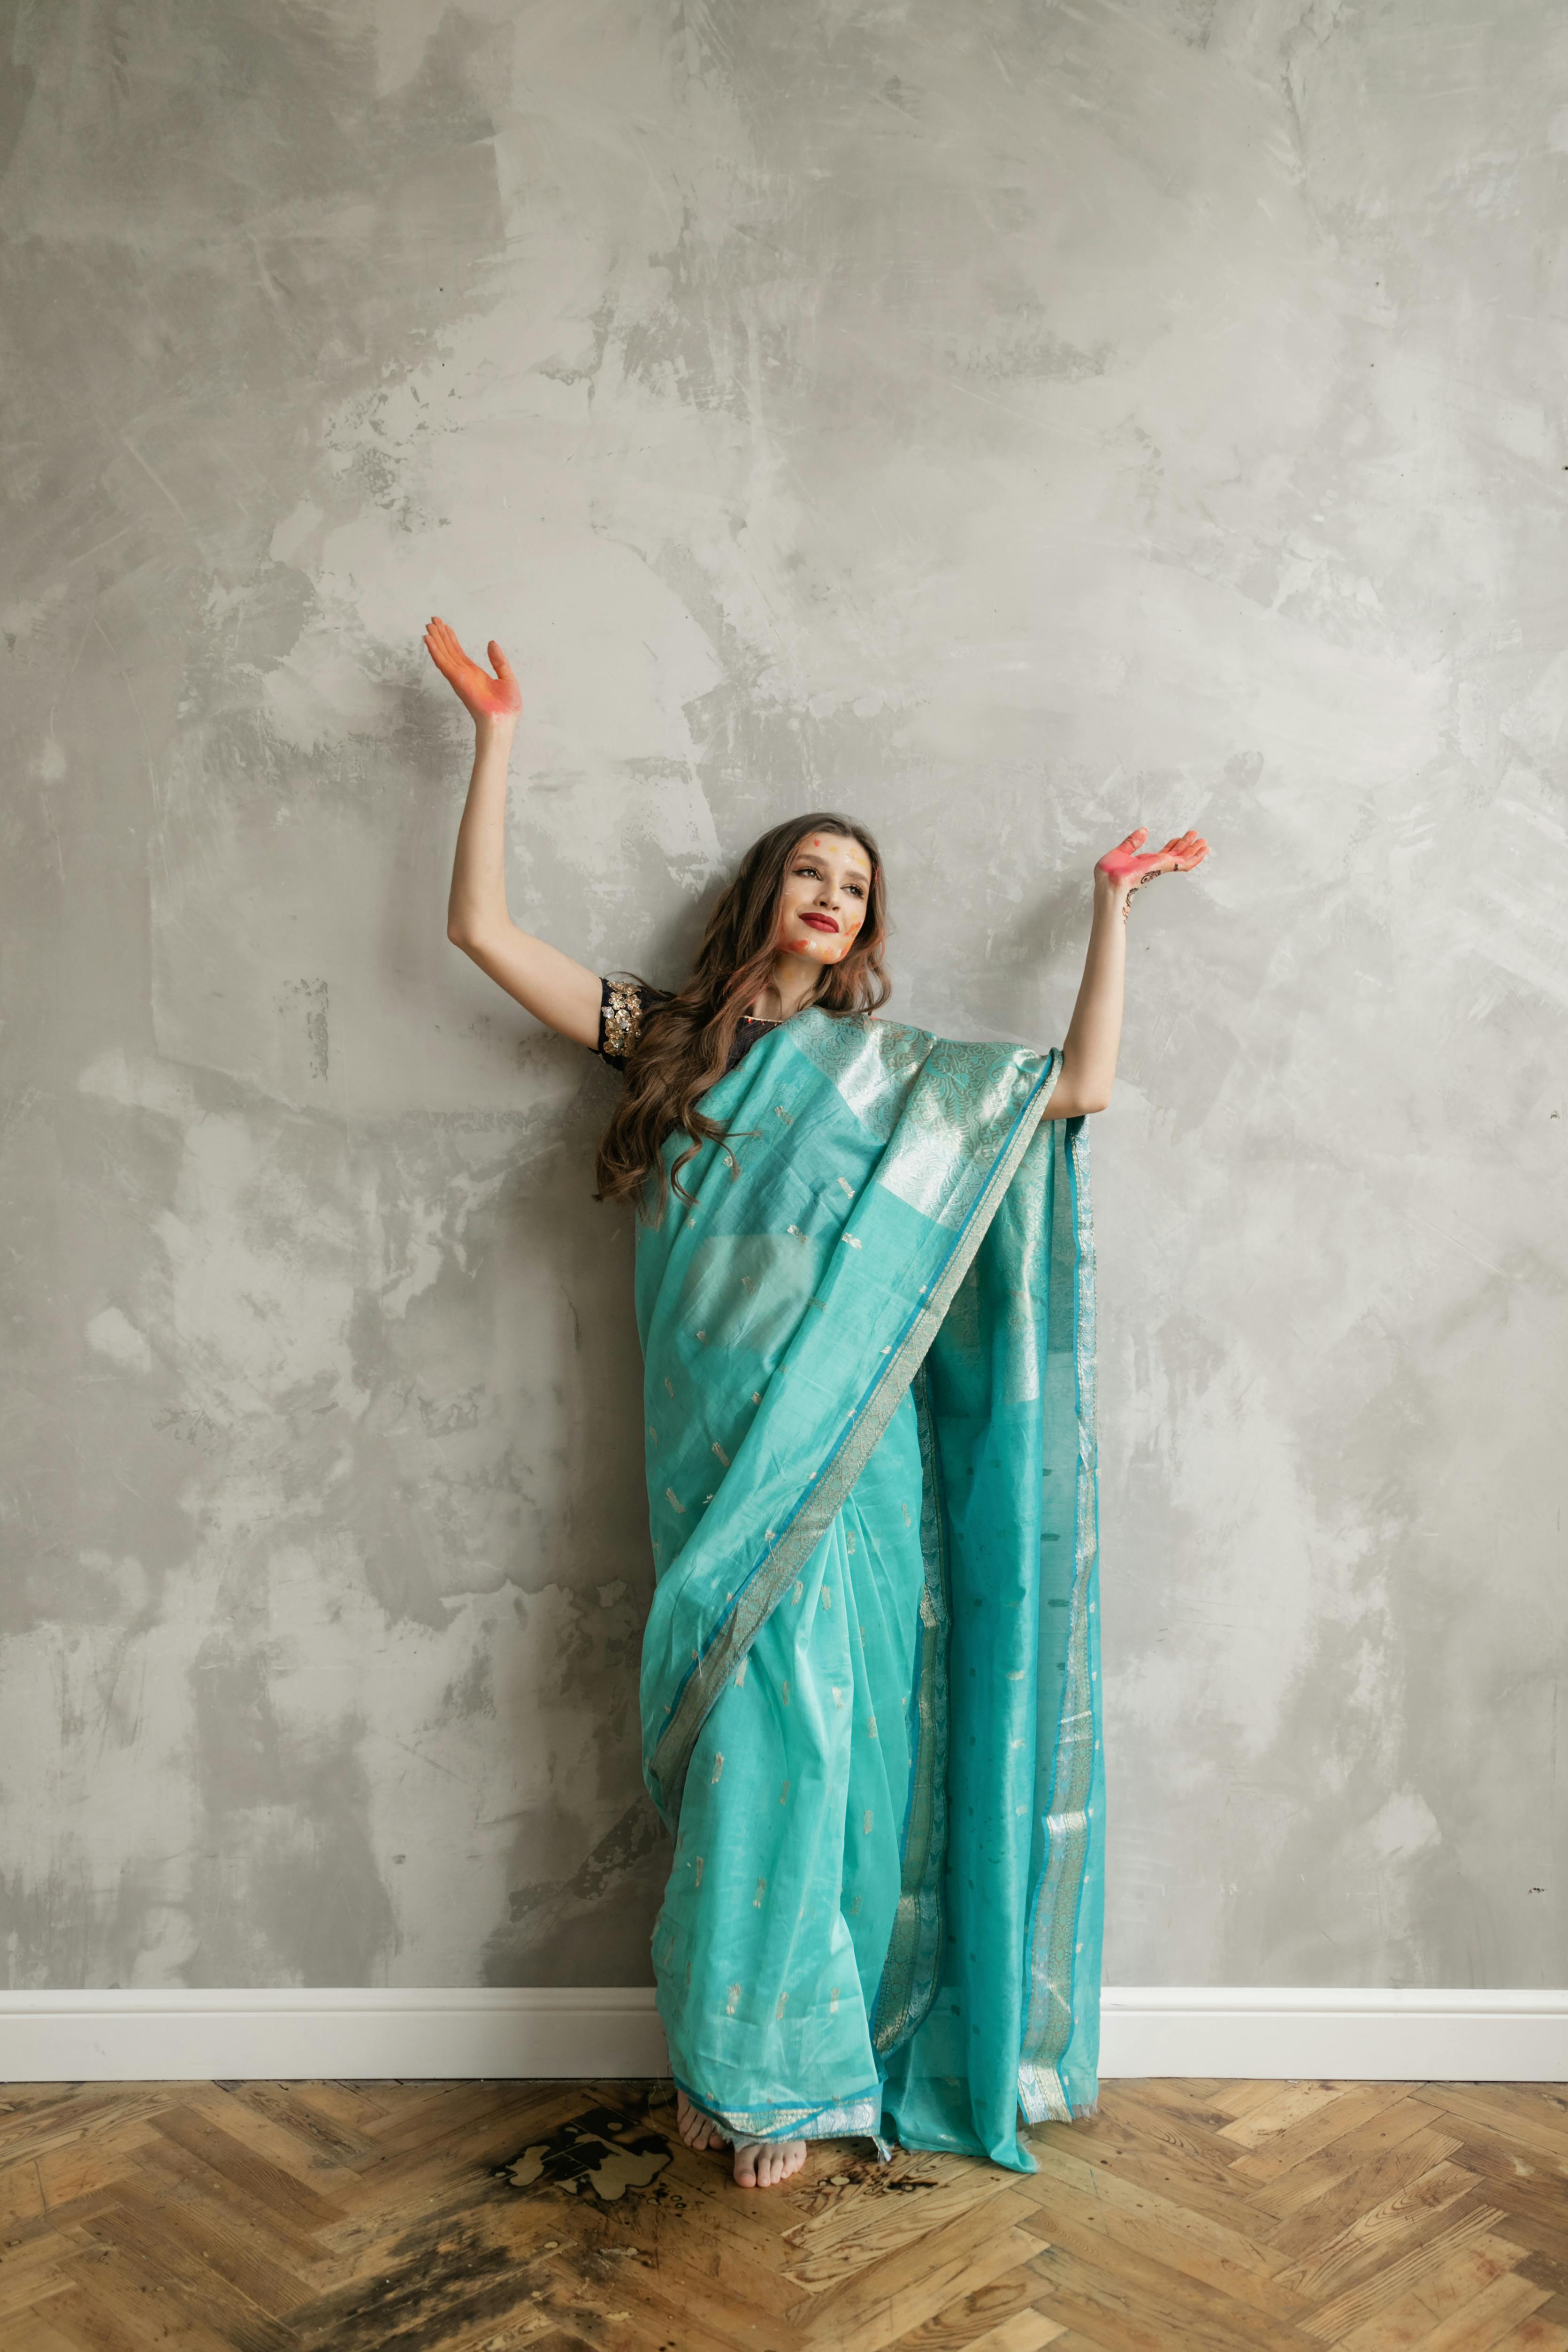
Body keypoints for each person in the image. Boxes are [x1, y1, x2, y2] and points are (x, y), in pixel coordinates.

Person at [426, 615, 1209, 2190]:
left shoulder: (901, 1079)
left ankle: (787, 2077)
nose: (832, 897)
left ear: (864, 930)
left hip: (847, 1474)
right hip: (711, 1474)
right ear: (768, 895)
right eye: (812, 872)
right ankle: (742, 2072)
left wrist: (1111, 911)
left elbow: (1079, 1089)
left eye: (855, 887)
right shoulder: (668, 1044)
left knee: (831, 1758)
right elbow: (483, 935)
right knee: (750, 1756)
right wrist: (498, 742)